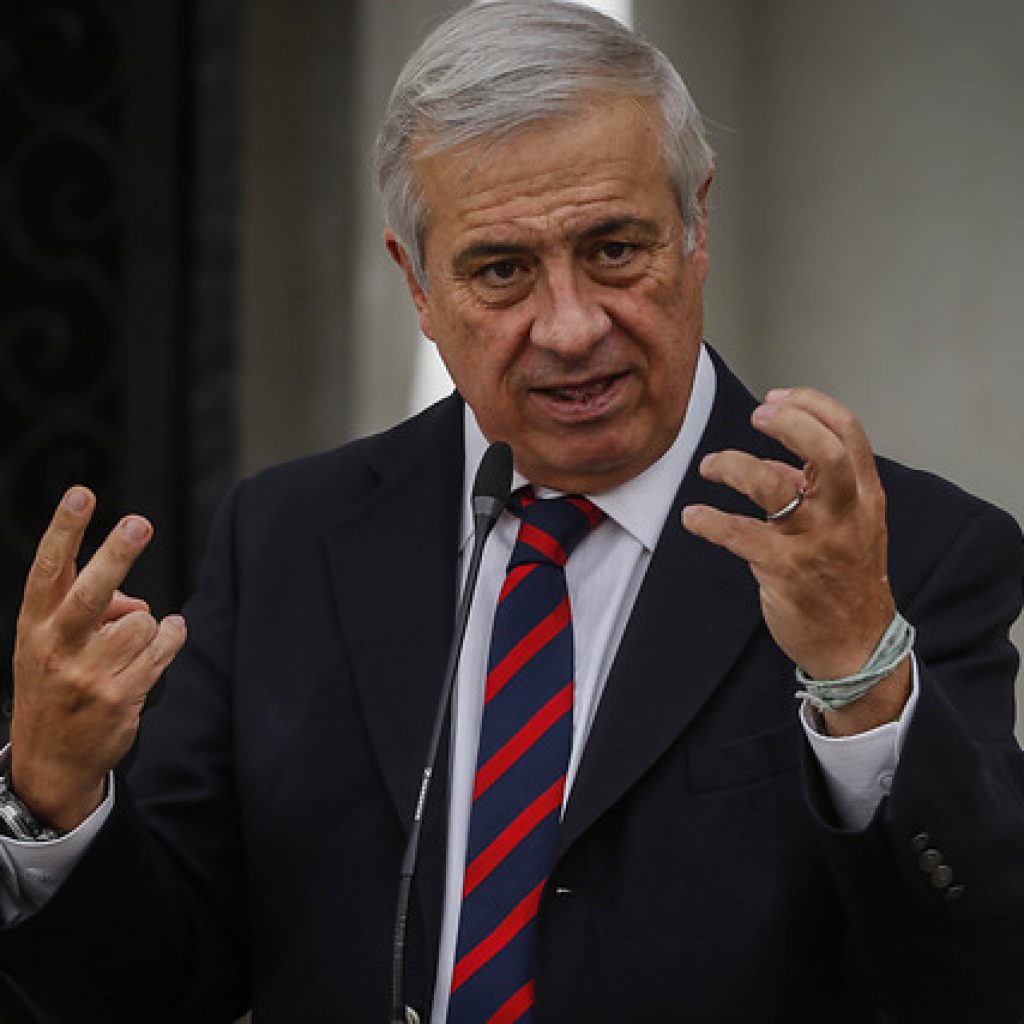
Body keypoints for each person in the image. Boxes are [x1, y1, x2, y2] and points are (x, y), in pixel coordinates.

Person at [1, 3, 1023, 1021]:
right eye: (501, 271)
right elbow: (156, 984)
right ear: (416, 284)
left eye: (614, 249)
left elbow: (974, 978)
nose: (569, 328)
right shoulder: (288, 539)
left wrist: (862, 680)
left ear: (695, 227)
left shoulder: (902, 560)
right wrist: (53, 801)